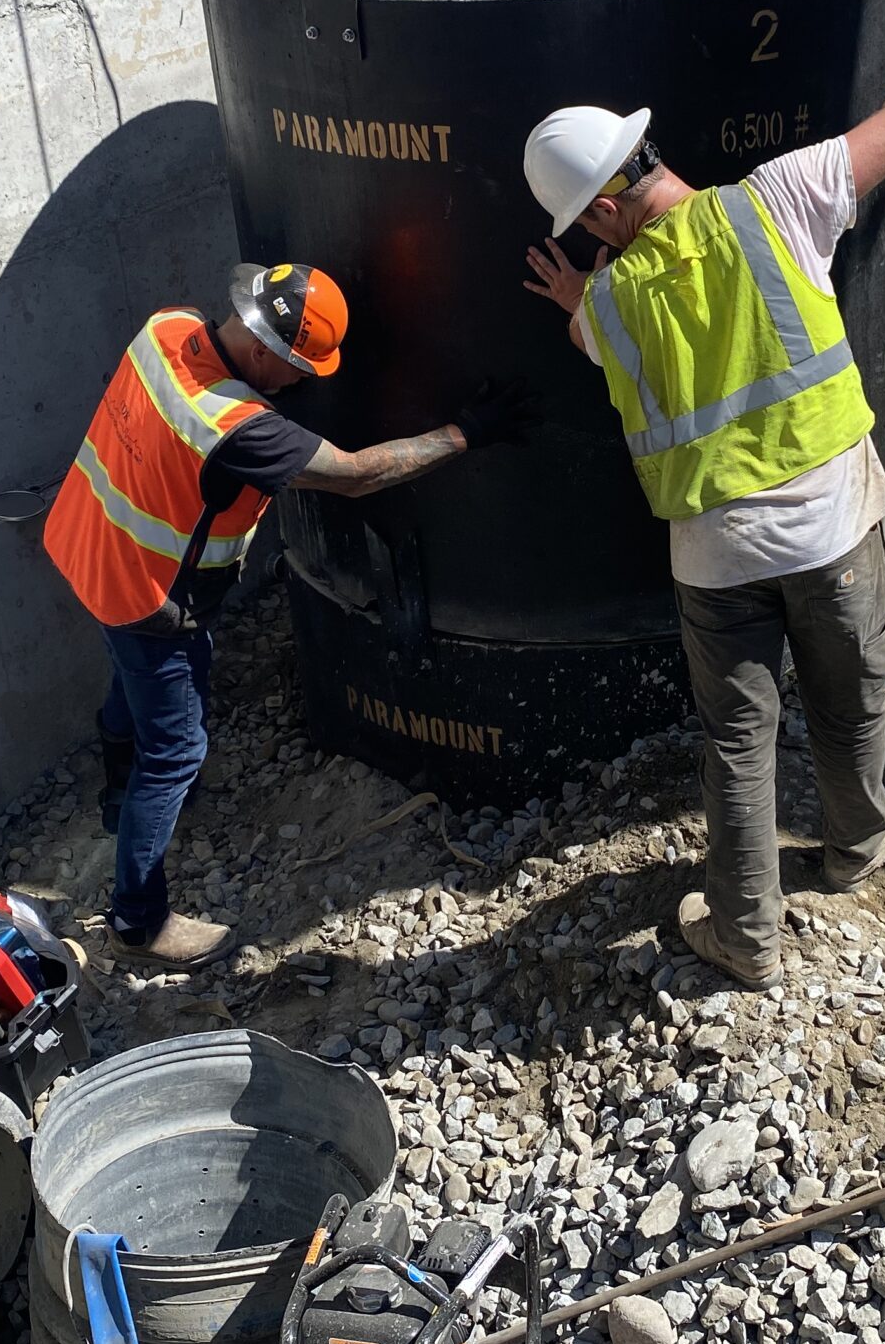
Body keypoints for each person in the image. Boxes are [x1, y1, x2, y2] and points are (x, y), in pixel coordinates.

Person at [520, 41, 885, 988]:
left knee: (738, 744)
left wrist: (576, 295)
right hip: (833, 529)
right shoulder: (779, 198)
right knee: (851, 693)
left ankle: (746, 936)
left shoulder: (606, 302)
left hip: (713, 560)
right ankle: (857, 848)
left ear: (606, 207)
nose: (590, 247)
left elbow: (590, 334)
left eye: (586, 228)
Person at [44, 262, 531, 965]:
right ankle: (138, 922)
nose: (303, 384)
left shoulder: (167, 328)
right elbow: (360, 474)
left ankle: (120, 803)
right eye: (300, 369)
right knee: (177, 747)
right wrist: (467, 433)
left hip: (88, 540)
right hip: (151, 596)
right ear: (266, 351)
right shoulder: (240, 427)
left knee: (131, 690)